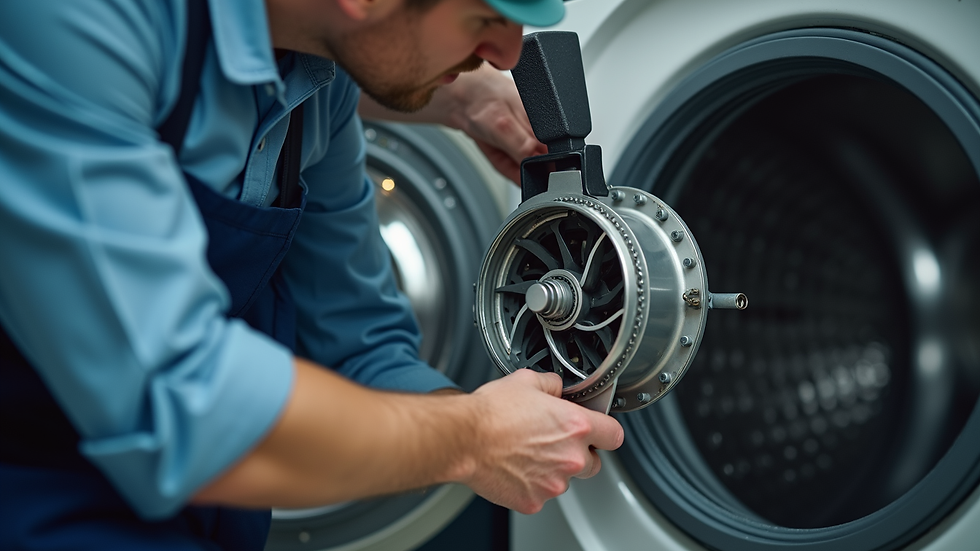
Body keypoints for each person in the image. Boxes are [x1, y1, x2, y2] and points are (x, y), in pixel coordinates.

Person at [0, 0, 624, 548]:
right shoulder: (73, 21)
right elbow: (185, 406)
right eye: (487, 17)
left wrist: (498, 424)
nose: (508, 53)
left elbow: (359, 345)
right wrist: (472, 439)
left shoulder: (313, 85)